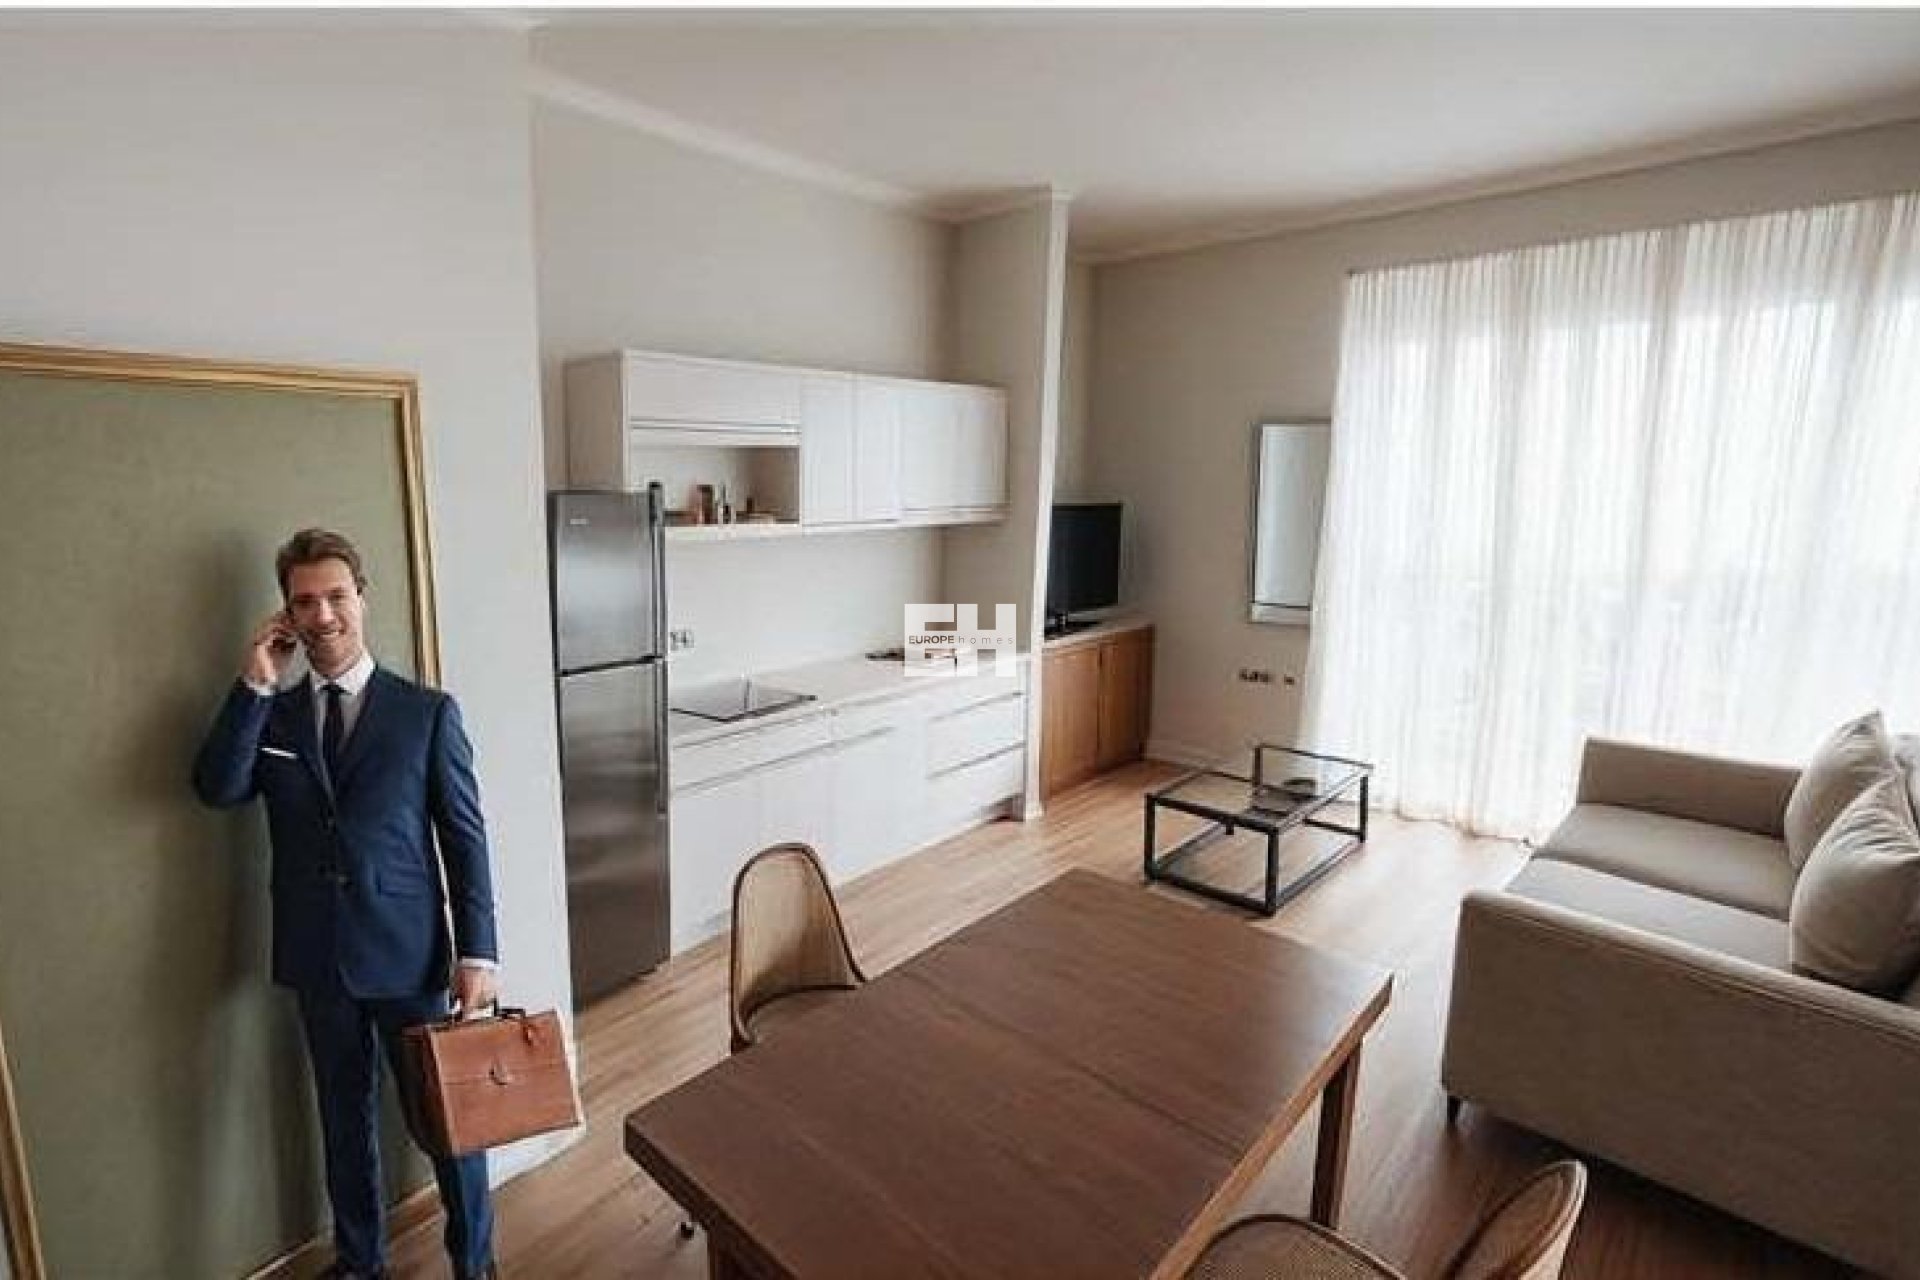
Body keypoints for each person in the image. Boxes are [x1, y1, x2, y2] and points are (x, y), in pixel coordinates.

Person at [193, 528, 499, 1280]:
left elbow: (464, 838)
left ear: (362, 598)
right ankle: (362, 1265)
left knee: (449, 1122)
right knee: (342, 1122)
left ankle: (475, 1266)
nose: (323, 615)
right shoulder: (273, 716)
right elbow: (218, 789)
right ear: (287, 614)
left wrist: (478, 953)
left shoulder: (426, 713)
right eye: (305, 602)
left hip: (409, 955)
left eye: (336, 596)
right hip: (317, 957)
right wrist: (255, 684)